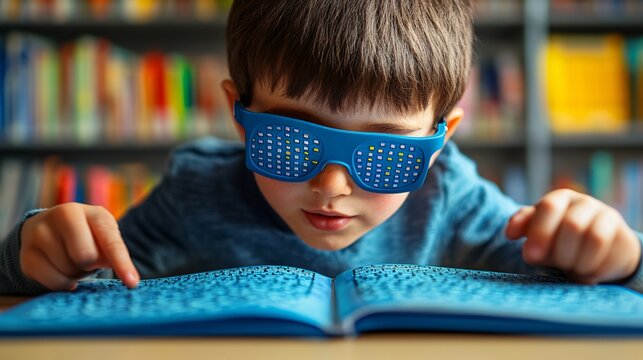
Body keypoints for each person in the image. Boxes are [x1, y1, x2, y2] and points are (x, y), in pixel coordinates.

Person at [1, 0, 641, 295]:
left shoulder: (453, 197)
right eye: (289, 138)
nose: (333, 186)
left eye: (385, 152)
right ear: (237, 113)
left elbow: (577, 280)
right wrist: (38, 251)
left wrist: (617, 256)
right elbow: (74, 281)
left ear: (441, 140)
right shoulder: (195, 193)